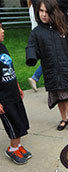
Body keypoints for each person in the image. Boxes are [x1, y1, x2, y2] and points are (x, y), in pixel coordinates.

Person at [26, 0, 68, 134]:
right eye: (41, 11)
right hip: (51, 71)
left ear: (53, 12)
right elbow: (31, 46)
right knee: (59, 96)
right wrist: (31, 56)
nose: (43, 15)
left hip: (65, 70)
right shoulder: (37, 32)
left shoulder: (63, 29)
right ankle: (63, 119)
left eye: (47, 12)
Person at [0, 20, 30, 164]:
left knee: (20, 121)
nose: (2, 30)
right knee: (12, 124)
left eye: (1, 27)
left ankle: (18, 146)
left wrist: (17, 86)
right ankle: (12, 150)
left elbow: (10, 67)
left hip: (13, 92)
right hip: (3, 97)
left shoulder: (3, 47)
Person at [27, 0, 42, 93]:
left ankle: (35, 78)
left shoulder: (31, 6)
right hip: (39, 36)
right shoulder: (37, 6)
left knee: (48, 59)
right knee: (49, 59)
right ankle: (34, 78)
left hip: (36, 35)